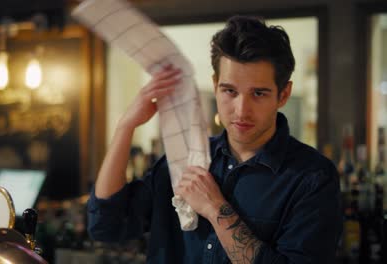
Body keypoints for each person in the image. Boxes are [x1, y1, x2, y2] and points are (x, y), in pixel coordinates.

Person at [87, 15, 342, 263]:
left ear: (283, 94)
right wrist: (125, 126)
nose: (241, 110)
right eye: (230, 91)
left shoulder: (313, 177)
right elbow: (105, 227)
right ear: (215, 84)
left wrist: (216, 209)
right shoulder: (185, 158)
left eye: (259, 94)